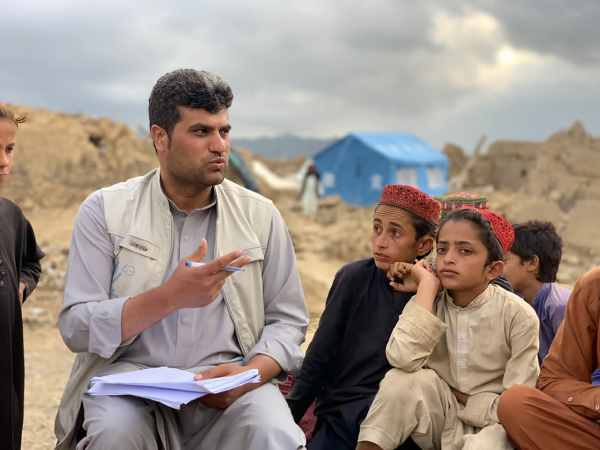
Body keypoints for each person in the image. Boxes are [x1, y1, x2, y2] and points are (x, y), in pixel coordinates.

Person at [54, 69, 309, 450]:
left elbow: (287, 322)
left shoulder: (261, 215)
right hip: (132, 386)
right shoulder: (106, 211)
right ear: (160, 138)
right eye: (202, 132)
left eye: (224, 131)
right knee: (113, 436)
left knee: (276, 436)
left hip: (232, 385)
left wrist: (248, 376)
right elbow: (76, 325)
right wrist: (169, 297)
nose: (220, 145)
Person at [356, 207, 540, 450]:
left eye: (465, 251)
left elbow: (515, 407)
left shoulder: (518, 316)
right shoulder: (429, 300)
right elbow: (402, 358)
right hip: (441, 415)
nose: (449, 259)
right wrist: (427, 286)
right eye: (442, 250)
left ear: (493, 269)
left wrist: (467, 400)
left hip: (494, 427)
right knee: (400, 381)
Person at [287, 184, 440, 450]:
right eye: (377, 228)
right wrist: (288, 420)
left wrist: (426, 284)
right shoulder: (353, 278)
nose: (380, 241)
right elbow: (319, 354)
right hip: (342, 413)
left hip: (399, 421)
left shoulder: (433, 291)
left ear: (424, 244)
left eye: (395, 233)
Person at [498, 268, 600, 450]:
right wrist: (595, 400)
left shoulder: (556, 303)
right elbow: (554, 381)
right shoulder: (594, 286)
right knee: (516, 403)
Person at [0, 105, 44, 450]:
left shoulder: (10, 217)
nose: (4, 161)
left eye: (9, 149)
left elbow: (31, 262)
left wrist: (21, 285)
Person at [503, 220, 570, 364]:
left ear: (532, 263)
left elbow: (572, 362)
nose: (498, 268)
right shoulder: (515, 301)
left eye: (505, 261)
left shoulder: (559, 306)